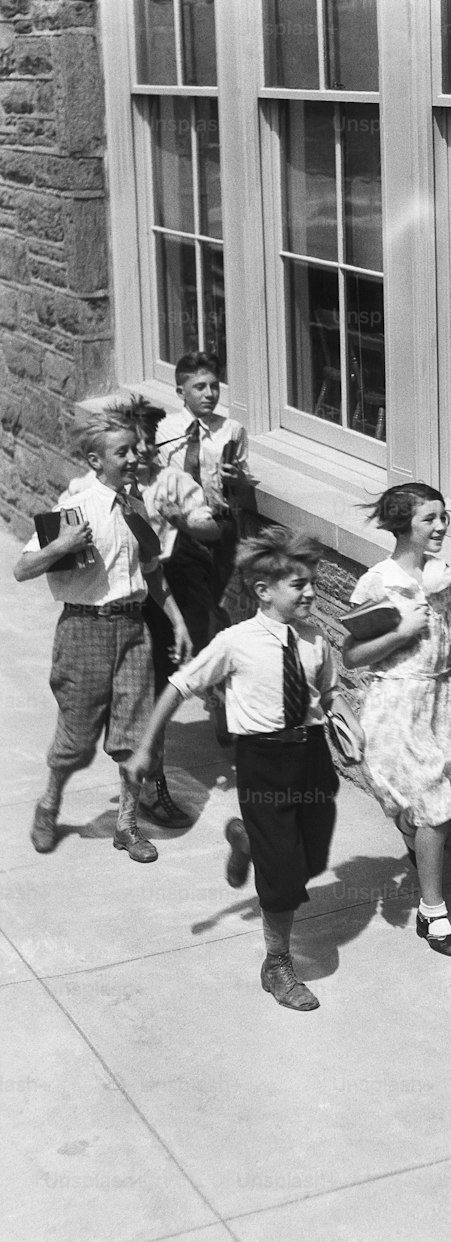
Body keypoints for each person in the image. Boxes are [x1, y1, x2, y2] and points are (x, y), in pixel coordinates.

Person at [126, 526, 339, 1011]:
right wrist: (144, 749)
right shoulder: (235, 642)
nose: (310, 592)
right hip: (262, 761)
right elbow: (179, 686)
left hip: (312, 755)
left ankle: (246, 839)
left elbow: (327, 693)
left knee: (309, 858)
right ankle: (278, 964)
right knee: (284, 873)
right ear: (263, 591)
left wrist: (345, 717)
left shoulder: (315, 639)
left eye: (312, 583)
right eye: (298, 585)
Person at [15, 417, 193, 863]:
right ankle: (51, 802)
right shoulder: (74, 507)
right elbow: (23, 569)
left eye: (135, 449)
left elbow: (152, 573)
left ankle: (127, 825)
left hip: (133, 630)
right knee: (75, 740)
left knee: (134, 735)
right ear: (96, 461)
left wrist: (177, 621)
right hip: (84, 630)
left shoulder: (136, 506)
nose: (134, 458)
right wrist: (61, 546)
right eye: (123, 452)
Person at [341, 483, 451, 958]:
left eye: (444, 517)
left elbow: (439, 633)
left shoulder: (440, 575)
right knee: (435, 808)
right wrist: (403, 631)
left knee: (450, 800)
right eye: (430, 519)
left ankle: (416, 844)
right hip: (399, 702)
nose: (441, 527)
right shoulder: (378, 582)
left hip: (441, 698)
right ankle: (434, 913)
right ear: (402, 524)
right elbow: (352, 656)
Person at [63, 396, 221, 828]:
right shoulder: (84, 491)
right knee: (100, 713)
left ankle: (154, 789)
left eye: (145, 443)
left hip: (162, 588)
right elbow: (56, 551)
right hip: (116, 602)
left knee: (154, 693)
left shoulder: (170, 481)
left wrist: (180, 519)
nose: (140, 454)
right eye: (130, 447)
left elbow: (211, 528)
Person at [156, 350, 254, 744]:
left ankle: (213, 687)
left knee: (216, 606)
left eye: (215, 386)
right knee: (204, 616)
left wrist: (237, 478)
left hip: (221, 530)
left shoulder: (232, 430)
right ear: (182, 392)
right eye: (200, 387)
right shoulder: (166, 430)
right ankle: (212, 693)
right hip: (181, 532)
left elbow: (241, 487)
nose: (209, 394)